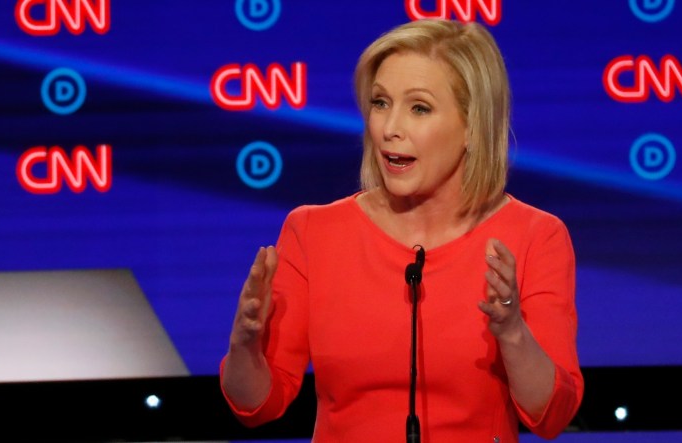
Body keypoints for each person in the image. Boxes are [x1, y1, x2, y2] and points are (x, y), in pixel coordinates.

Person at [220, 18, 584, 442]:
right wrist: (244, 344)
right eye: (380, 103)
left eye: (419, 108)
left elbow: (552, 415)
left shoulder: (535, 236)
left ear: (472, 125)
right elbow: (257, 404)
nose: (390, 128)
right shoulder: (312, 232)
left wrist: (513, 333)